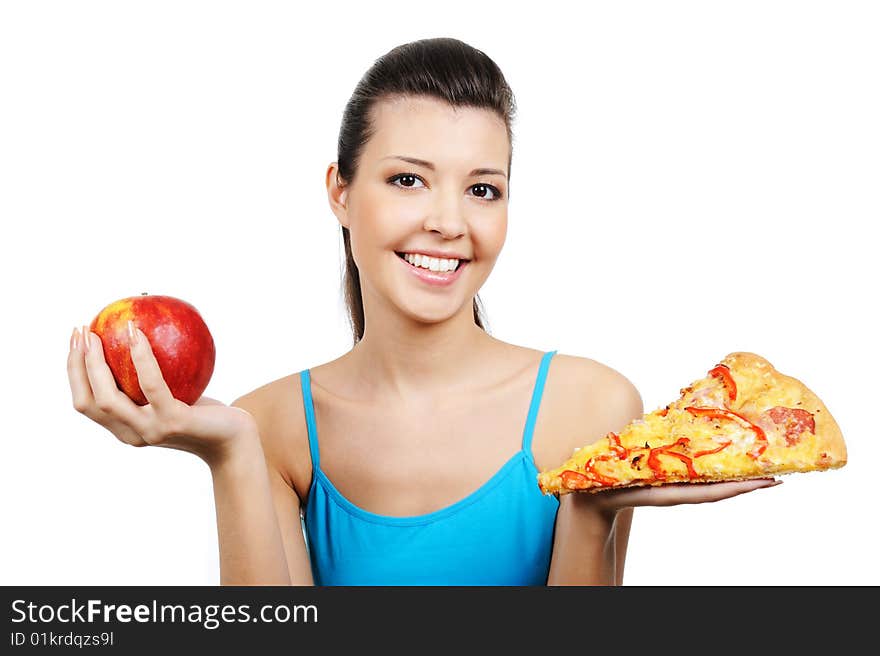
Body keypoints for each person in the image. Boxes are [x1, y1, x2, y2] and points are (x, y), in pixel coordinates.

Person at [66, 37, 779, 586]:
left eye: (483, 189)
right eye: (408, 179)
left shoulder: (591, 406)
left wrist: (591, 510)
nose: (448, 222)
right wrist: (227, 451)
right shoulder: (270, 427)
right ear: (340, 192)